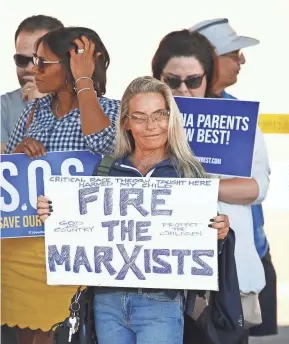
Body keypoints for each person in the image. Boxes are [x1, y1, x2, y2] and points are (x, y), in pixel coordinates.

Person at [36, 75, 230, 344]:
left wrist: (219, 231)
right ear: (126, 122)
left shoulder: (188, 173)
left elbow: (204, 238)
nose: (151, 126)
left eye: (159, 115)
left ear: (170, 118)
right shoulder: (107, 169)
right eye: (139, 117)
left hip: (161, 302)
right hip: (107, 302)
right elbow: (86, 230)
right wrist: (55, 214)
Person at [2, 26, 120, 344]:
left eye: (43, 62)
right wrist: (16, 154)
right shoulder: (31, 113)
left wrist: (83, 81)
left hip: (75, 248)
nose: (32, 69)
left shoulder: (113, 111)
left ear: (72, 66)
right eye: (32, 60)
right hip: (24, 247)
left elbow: (99, 140)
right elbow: (9, 179)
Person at [152, 29, 270, 343]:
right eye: (172, 81)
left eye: (193, 81)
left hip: (224, 279)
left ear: (207, 78)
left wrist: (197, 187)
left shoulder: (238, 121)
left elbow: (257, 188)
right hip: (159, 277)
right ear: (158, 79)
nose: (183, 90)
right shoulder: (143, 124)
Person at [190, 18, 278, 339]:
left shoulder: (240, 115)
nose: (242, 60)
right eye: (234, 53)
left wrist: (199, 188)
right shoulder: (161, 111)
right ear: (210, 58)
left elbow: (257, 187)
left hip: (241, 256)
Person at [1, 15, 64, 154]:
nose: (30, 68)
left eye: (39, 60)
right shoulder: (3, 107)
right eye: (21, 59)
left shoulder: (87, 104)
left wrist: (43, 103)